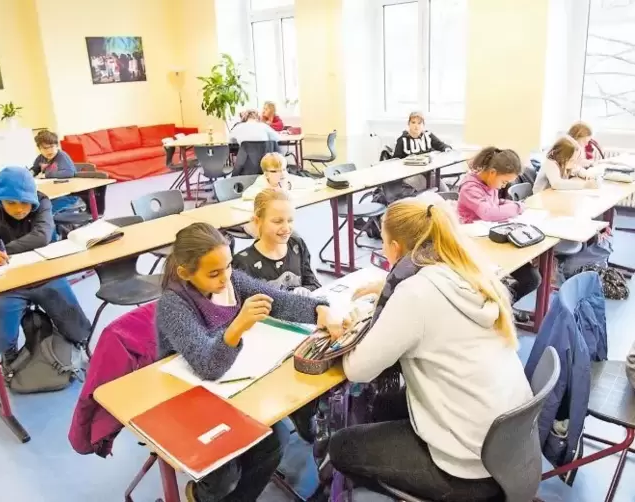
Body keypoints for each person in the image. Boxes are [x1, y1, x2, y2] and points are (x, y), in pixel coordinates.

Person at [329, 198, 532, 501]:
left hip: (466, 467)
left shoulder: (414, 294)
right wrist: (389, 287)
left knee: (341, 447)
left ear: (395, 248)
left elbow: (358, 370)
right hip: (509, 446)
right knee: (390, 403)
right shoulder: (469, 269)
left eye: (383, 244)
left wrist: (348, 329)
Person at [156, 222, 348, 502]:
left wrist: (319, 308)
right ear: (186, 273)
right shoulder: (173, 305)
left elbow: (276, 301)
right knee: (224, 472)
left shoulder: (229, 280)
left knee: (273, 442)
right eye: (214, 273)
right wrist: (237, 327)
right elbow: (206, 365)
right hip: (190, 396)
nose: (226, 278)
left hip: (232, 386)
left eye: (229, 266)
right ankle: (202, 494)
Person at [0, 166, 92, 364]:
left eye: (25, 202)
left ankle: (79, 340)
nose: (19, 209)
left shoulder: (42, 202)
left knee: (70, 314)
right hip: (6, 281)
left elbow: (41, 236)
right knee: (0, 311)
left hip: (43, 275)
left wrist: (5, 252)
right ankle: (8, 353)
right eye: (11, 203)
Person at [457, 147, 542, 309]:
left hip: (493, 242)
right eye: (504, 182)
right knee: (494, 281)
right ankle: (493, 308)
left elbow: (496, 204)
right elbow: (488, 212)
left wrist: (517, 205)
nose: (503, 186)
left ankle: (502, 307)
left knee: (532, 278)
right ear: (492, 173)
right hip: (473, 245)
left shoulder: (490, 185)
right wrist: (517, 208)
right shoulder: (470, 188)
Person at [233, 189, 321, 295]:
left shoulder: (297, 245)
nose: (286, 228)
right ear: (257, 221)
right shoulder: (243, 262)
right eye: (277, 221)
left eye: (290, 220)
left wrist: (306, 290)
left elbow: (313, 284)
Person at [30, 130, 82, 214]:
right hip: (53, 193)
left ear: (57, 146)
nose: (48, 150)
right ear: (39, 149)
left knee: (44, 211)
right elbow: (35, 169)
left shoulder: (62, 156)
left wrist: (46, 175)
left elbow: (69, 173)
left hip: (69, 195)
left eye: (51, 146)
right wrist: (30, 173)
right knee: (37, 207)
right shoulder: (41, 158)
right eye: (44, 148)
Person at [533, 135, 598, 194]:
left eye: (575, 160)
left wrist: (587, 175)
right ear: (561, 156)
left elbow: (578, 170)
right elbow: (557, 183)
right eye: (572, 160)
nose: (574, 163)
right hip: (540, 199)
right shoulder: (550, 163)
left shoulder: (565, 163)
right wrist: (584, 185)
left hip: (552, 196)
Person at [241, 152, 317, 200]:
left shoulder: (287, 177)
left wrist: (289, 185)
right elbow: (246, 194)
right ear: (266, 174)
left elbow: (311, 182)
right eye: (275, 171)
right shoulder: (262, 180)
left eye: (283, 169)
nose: (282, 174)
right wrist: (269, 190)